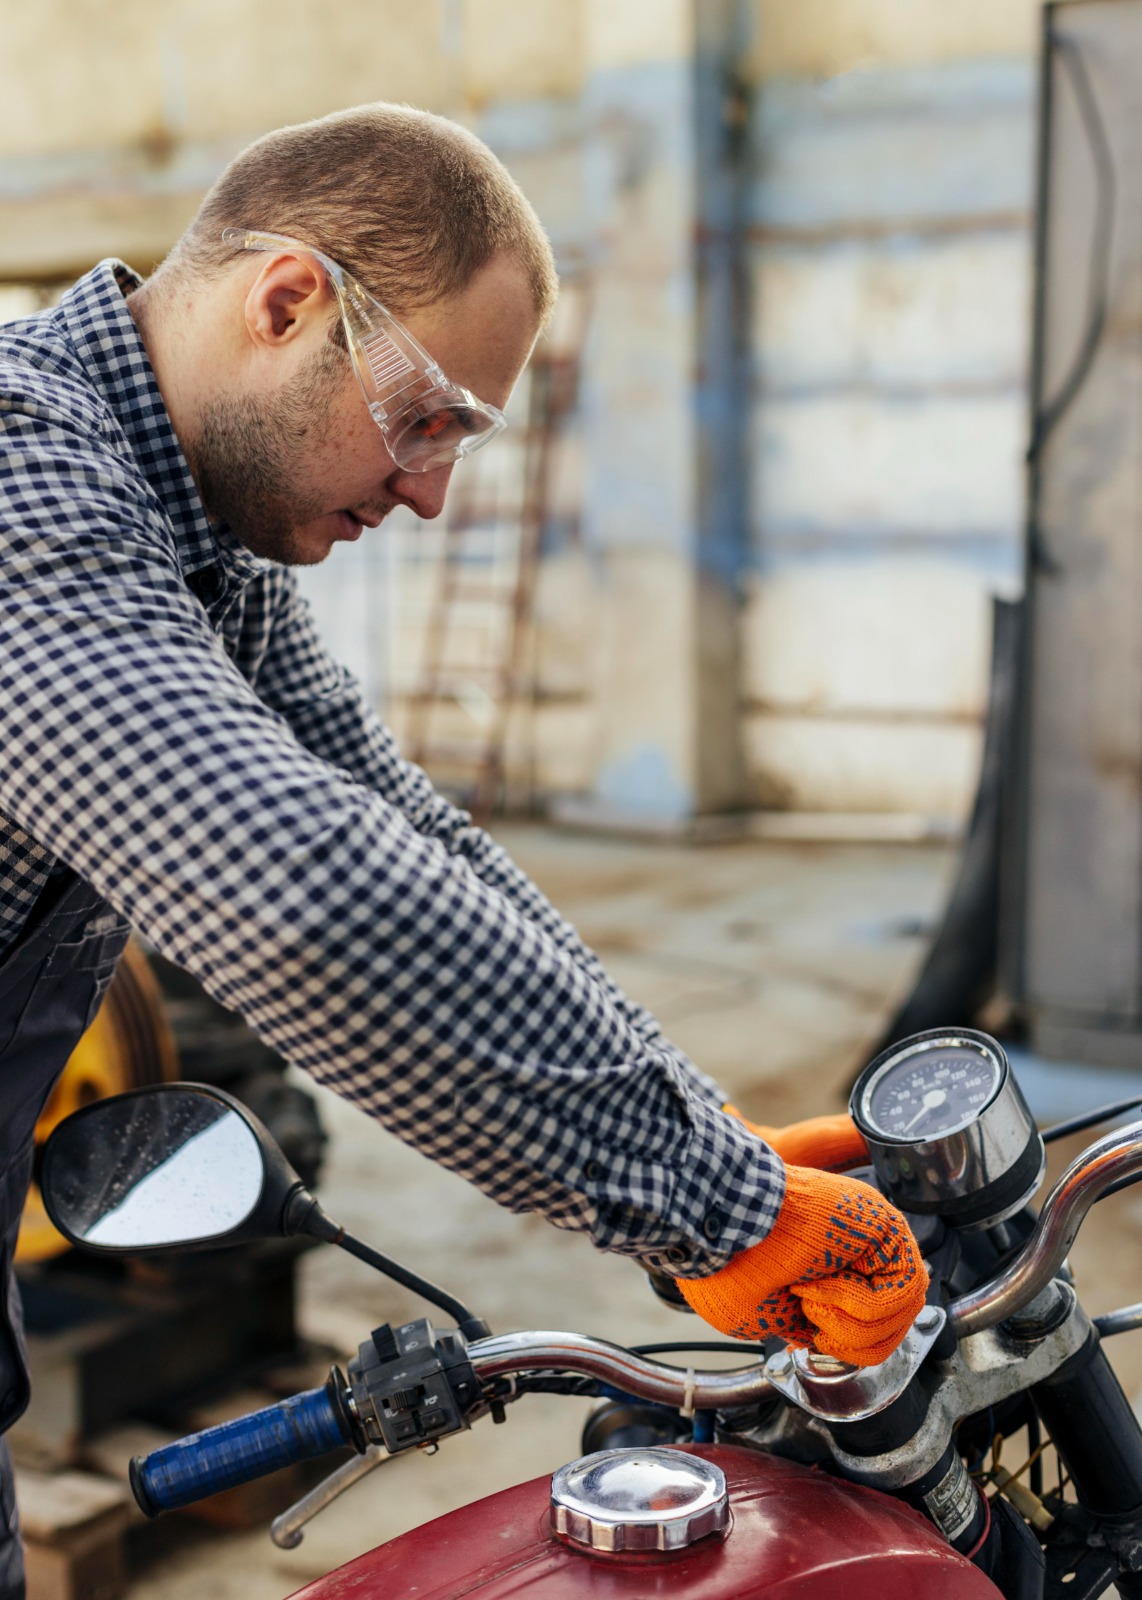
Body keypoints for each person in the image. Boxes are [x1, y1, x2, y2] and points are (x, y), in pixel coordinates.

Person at [0, 103, 924, 1594]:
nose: (432, 492)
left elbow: (399, 829)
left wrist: (700, 1139)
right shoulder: (22, 474)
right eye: (424, 415)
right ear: (287, 301)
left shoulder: (193, 536)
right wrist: (717, 1208)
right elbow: (291, 888)